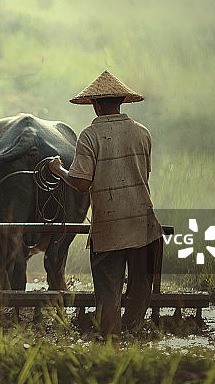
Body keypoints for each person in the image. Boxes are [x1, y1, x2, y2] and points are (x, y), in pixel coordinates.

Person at [48, 70, 163, 338]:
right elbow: (143, 176)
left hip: (108, 231)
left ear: (96, 105)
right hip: (144, 227)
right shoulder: (142, 133)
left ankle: (111, 343)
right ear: (122, 101)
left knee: (108, 292)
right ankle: (132, 336)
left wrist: (58, 170)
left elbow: (80, 183)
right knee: (139, 290)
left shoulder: (90, 136)